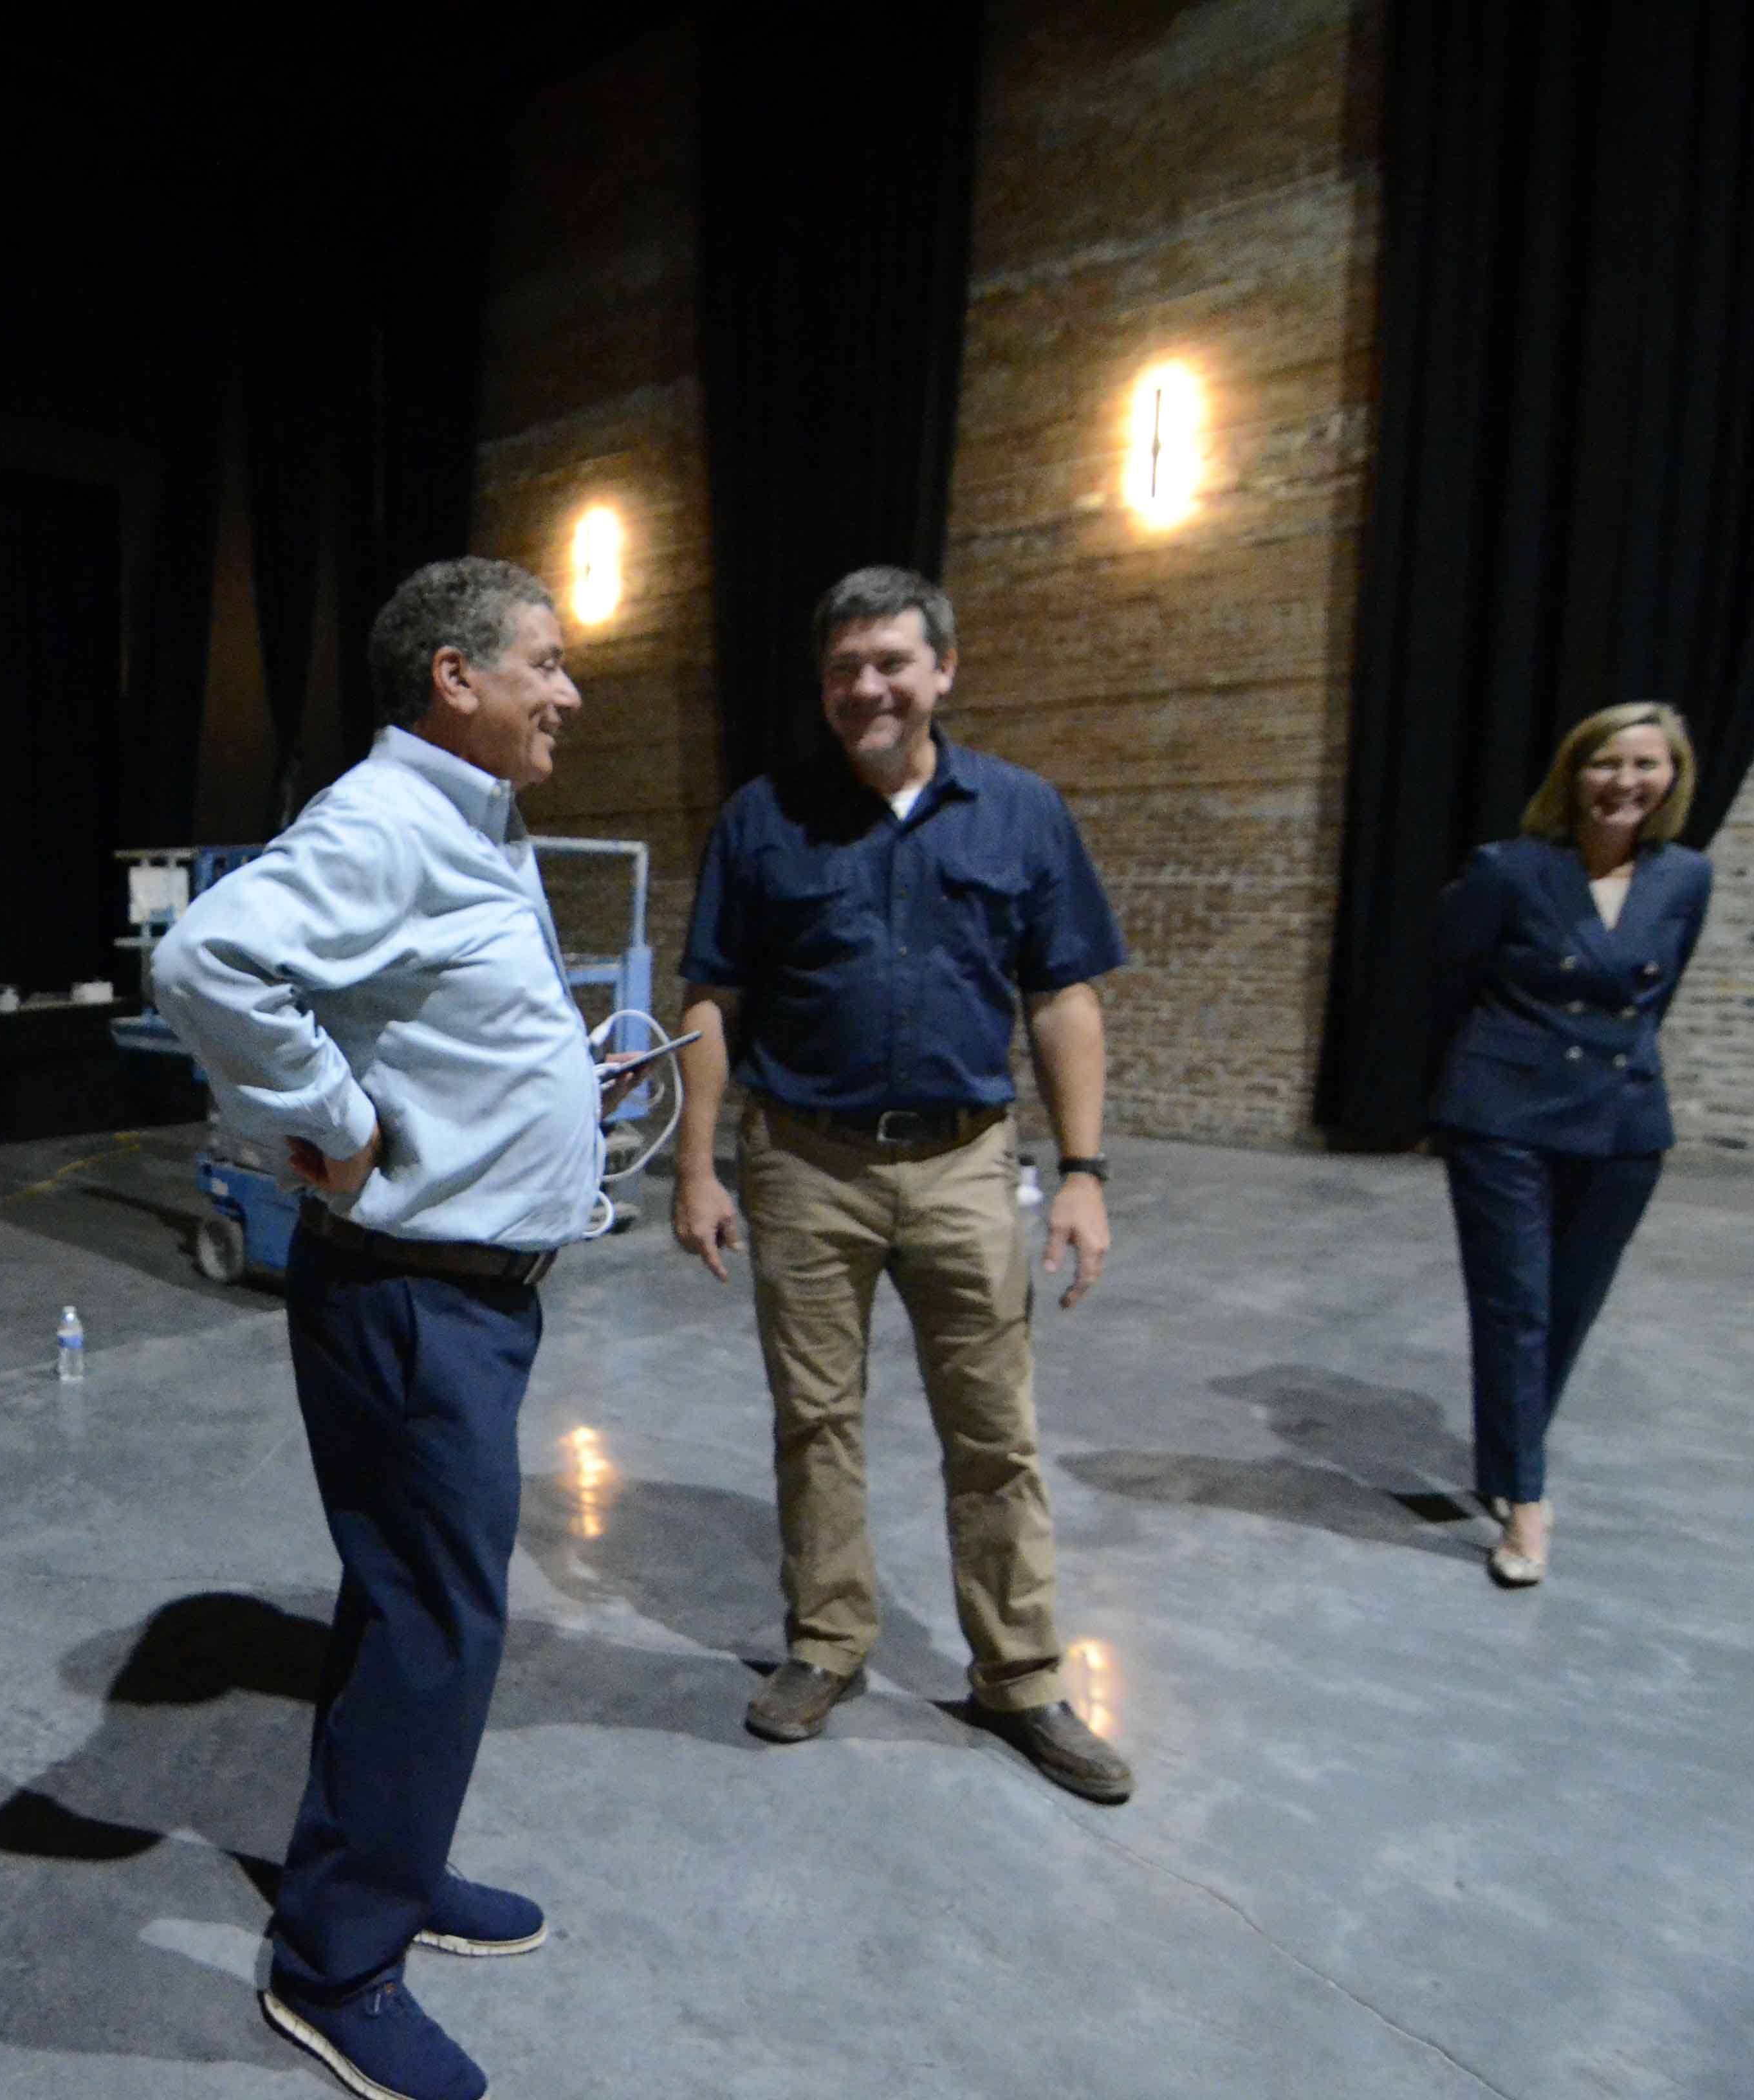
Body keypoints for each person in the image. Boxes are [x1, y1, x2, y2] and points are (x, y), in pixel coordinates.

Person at [150, 557, 607, 2100]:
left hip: (461, 1299)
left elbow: (429, 1009)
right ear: (452, 680)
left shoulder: (473, 815)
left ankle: (385, 1874)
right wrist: (332, 1123)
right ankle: (337, 1965)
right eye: (542, 663)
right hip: (414, 1300)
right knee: (437, 1624)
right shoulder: (390, 819)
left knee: (403, 1607)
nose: (569, 692)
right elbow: (207, 958)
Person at [669, 564, 1136, 1805]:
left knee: (995, 1432)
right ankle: (826, 1644)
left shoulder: (1021, 813)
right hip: (804, 1165)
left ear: (942, 671)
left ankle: (1020, 1675)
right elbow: (714, 997)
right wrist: (697, 1163)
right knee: (814, 1421)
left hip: (967, 1163)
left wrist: (1084, 1172)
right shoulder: (763, 821)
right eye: (842, 669)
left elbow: (1064, 996)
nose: (865, 688)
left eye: (889, 663)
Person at [1428, 702, 1711, 1588]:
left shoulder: (1686, 877)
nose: (1625, 783)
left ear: (1672, 779)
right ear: (1573, 773)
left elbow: (1655, 995)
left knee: (1570, 1307)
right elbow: (1454, 973)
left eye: (1647, 766)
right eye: (1607, 764)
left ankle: (1506, 1463)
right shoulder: (1509, 870)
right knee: (1517, 1305)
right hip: (1505, 1112)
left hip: (1624, 1123)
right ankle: (1527, 1499)